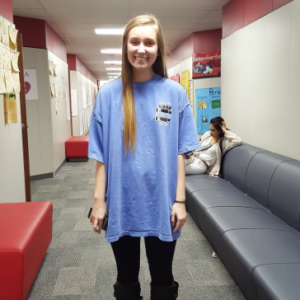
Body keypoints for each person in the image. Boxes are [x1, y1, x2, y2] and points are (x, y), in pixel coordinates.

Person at [88, 14, 199, 300]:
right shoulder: (108, 95)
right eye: (134, 42)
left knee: (163, 278)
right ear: (125, 46)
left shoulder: (174, 93)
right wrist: (99, 203)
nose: (141, 49)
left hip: (162, 203)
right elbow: (101, 156)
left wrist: (180, 201)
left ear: (158, 49)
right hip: (121, 202)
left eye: (149, 43)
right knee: (126, 278)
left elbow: (180, 152)